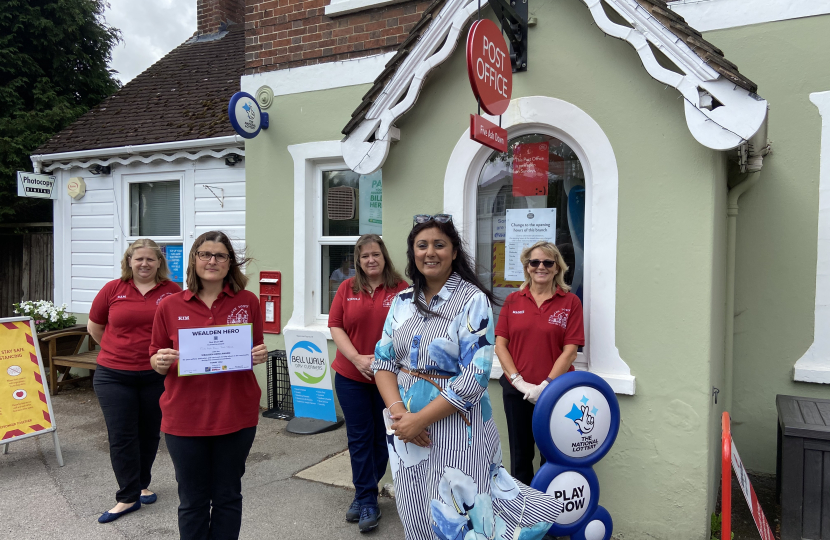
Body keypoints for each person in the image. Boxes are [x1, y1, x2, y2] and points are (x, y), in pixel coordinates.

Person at [373, 215, 563, 540]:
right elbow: (383, 362)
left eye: (439, 245)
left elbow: (475, 377)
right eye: (422, 245)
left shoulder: (472, 300)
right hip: (405, 427)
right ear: (412, 252)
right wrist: (402, 414)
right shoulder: (401, 301)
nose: (430, 252)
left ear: (454, 252)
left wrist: (421, 420)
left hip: (457, 428)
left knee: (459, 514)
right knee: (415, 508)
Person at [150, 231, 268, 540]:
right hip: (184, 418)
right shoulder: (169, 305)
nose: (212, 261)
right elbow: (154, 354)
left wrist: (259, 354)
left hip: (236, 414)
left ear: (230, 263)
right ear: (194, 260)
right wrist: (158, 361)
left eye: (220, 256)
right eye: (205, 254)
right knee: (192, 500)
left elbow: (255, 347)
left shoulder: (247, 301)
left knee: (228, 495)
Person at [88, 239, 181, 523]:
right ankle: (127, 497)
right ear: (129, 260)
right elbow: (95, 326)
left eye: (150, 259)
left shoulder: (172, 291)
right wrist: (118, 351)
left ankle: (141, 484)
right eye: (138, 258)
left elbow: (182, 328)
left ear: (159, 263)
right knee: (122, 435)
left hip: (157, 375)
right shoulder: (113, 289)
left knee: (150, 432)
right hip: (114, 375)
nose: (144, 264)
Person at [329, 233, 408, 532]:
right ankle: (367, 499)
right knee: (359, 438)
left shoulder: (401, 289)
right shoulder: (347, 288)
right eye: (364, 256)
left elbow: (411, 329)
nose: (371, 260)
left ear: (384, 256)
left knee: (383, 439)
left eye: (375, 254)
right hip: (352, 376)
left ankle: (364, 494)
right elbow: (335, 325)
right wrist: (357, 359)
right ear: (358, 261)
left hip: (390, 378)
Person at [494, 240, 585, 485]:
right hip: (517, 392)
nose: (540, 267)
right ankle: (524, 515)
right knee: (521, 455)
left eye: (548, 262)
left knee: (552, 455)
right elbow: (500, 345)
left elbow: (570, 351)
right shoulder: (513, 300)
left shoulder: (570, 302)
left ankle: (548, 512)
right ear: (527, 267)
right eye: (534, 262)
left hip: (555, 392)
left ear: (557, 268)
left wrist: (546, 385)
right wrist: (518, 381)